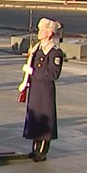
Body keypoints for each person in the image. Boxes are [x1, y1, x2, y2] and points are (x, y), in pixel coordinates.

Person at [20, 18, 64, 162]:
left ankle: (42, 151)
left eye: (42, 30)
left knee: (45, 119)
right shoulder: (37, 49)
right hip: (35, 89)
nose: (39, 33)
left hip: (45, 90)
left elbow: (53, 74)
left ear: (50, 33)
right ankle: (34, 149)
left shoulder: (54, 52)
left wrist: (33, 72)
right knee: (35, 118)